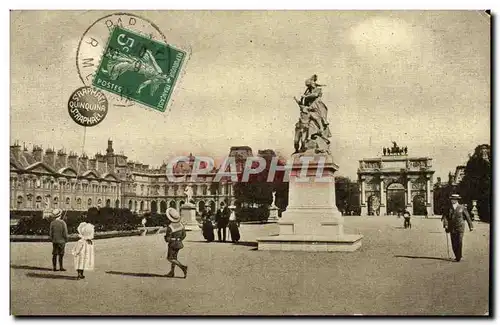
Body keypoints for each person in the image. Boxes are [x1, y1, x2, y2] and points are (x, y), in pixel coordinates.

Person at [442, 194, 473, 262]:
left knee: (459, 241)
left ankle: (459, 256)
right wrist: (446, 225)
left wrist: (471, 226)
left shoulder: (462, 207)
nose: (452, 200)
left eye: (453, 199)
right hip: (451, 227)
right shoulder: (448, 208)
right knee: (453, 242)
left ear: (456, 200)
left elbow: (468, 217)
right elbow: (445, 217)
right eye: (451, 199)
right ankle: (456, 255)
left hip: (460, 226)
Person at [164, 208, 188, 278]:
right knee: (174, 258)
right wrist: (179, 239)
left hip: (172, 244)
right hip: (179, 243)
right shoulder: (181, 225)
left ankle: (183, 267)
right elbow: (184, 235)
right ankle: (172, 272)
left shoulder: (170, 227)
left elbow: (168, 238)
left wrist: (166, 238)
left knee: (170, 258)